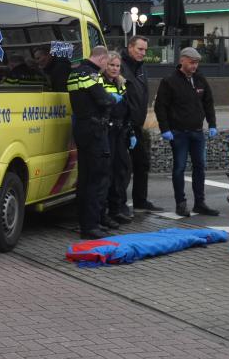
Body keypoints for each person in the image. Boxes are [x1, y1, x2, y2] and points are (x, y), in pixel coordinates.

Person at [153, 47, 220, 217]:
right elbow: (161, 107)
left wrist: (212, 124)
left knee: (200, 167)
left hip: (197, 132)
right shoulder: (169, 81)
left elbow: (208, 102)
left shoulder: (200, 79)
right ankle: (180, 204)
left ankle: (200, 203)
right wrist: (165, 129)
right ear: (182, 60)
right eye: (191, 62)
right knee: (179, 168)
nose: (194, 66)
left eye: (196, 63)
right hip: (179, 133)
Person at [67, 45, 119, 239]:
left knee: (84, 177)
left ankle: (84, 223)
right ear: (102, 59)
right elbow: (104, 100)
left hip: (81, 128)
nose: (107, 67)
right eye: (107, 63)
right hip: (95, 130)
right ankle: (91, 226)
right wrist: (114, 99)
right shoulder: (91, 75)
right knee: (96, 178)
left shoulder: (74, 73)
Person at [121, 36, 163, 212]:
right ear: (130, 47)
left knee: (142, 163)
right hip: (123, 125)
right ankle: (119, 204)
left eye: (145, 50)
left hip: (137, 125)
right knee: (123, 167)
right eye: (140, 49)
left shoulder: (141, 68)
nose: (143, 53)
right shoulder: (120, 66)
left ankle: (140, 200)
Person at [101, 51, 135, 227]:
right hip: (107, 132)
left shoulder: (121, 84)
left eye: (117, 66)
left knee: (121, 171)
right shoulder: (100, 82)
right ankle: (105, 212)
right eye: (111, 65)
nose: (114, 69)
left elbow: (127, 110)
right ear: (104, 65)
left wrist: (131, 132)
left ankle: (117, 208)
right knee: (107, 173)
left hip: (120, 132)